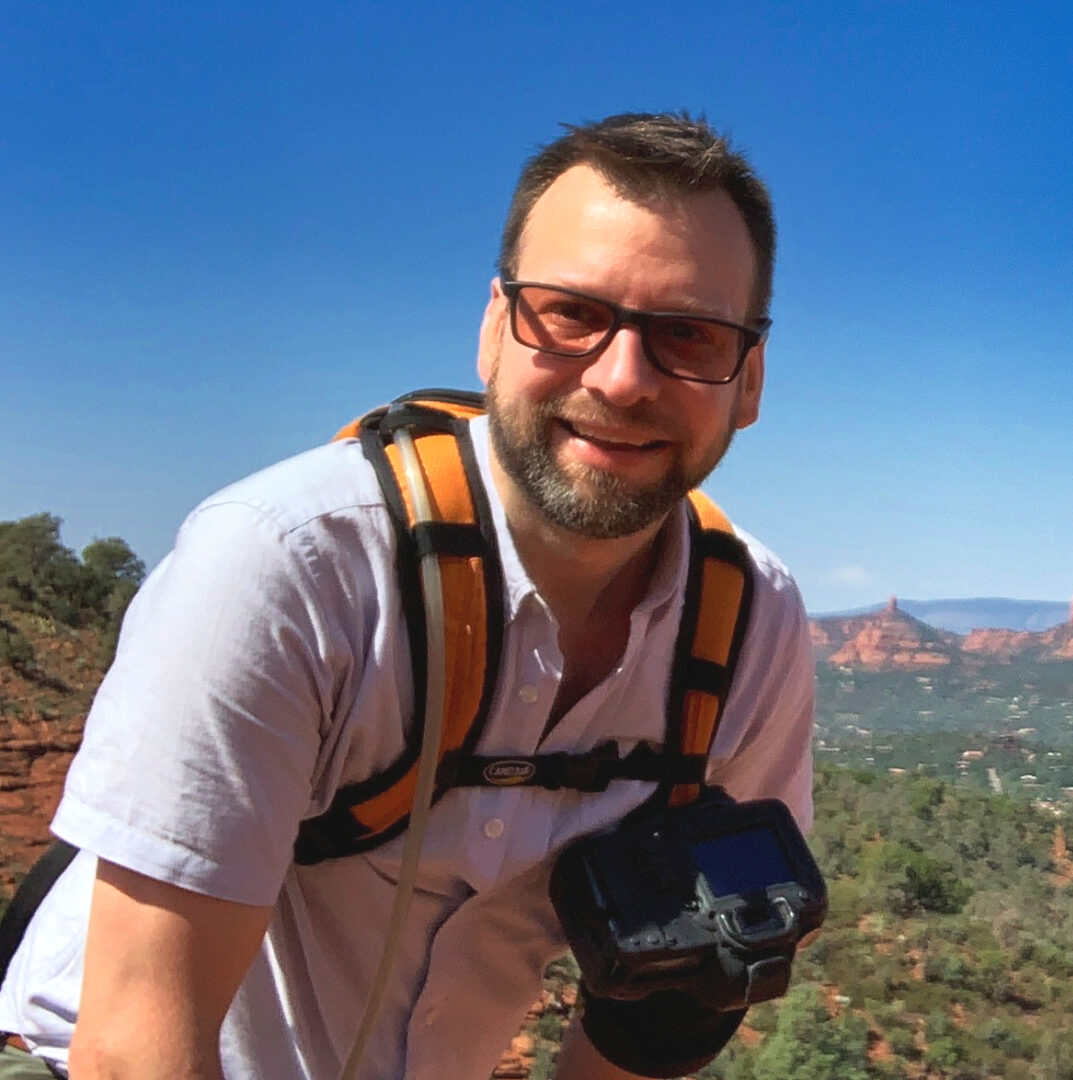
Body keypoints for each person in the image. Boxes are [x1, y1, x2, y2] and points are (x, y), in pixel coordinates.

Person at [0, 113, 815, 1080]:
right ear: (494, 327)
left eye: (687, 333)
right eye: (571, 312)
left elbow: (676, 999)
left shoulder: (746, 626)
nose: (622, 376)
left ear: (749, 378)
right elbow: (139, 1045)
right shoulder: (288, 565)